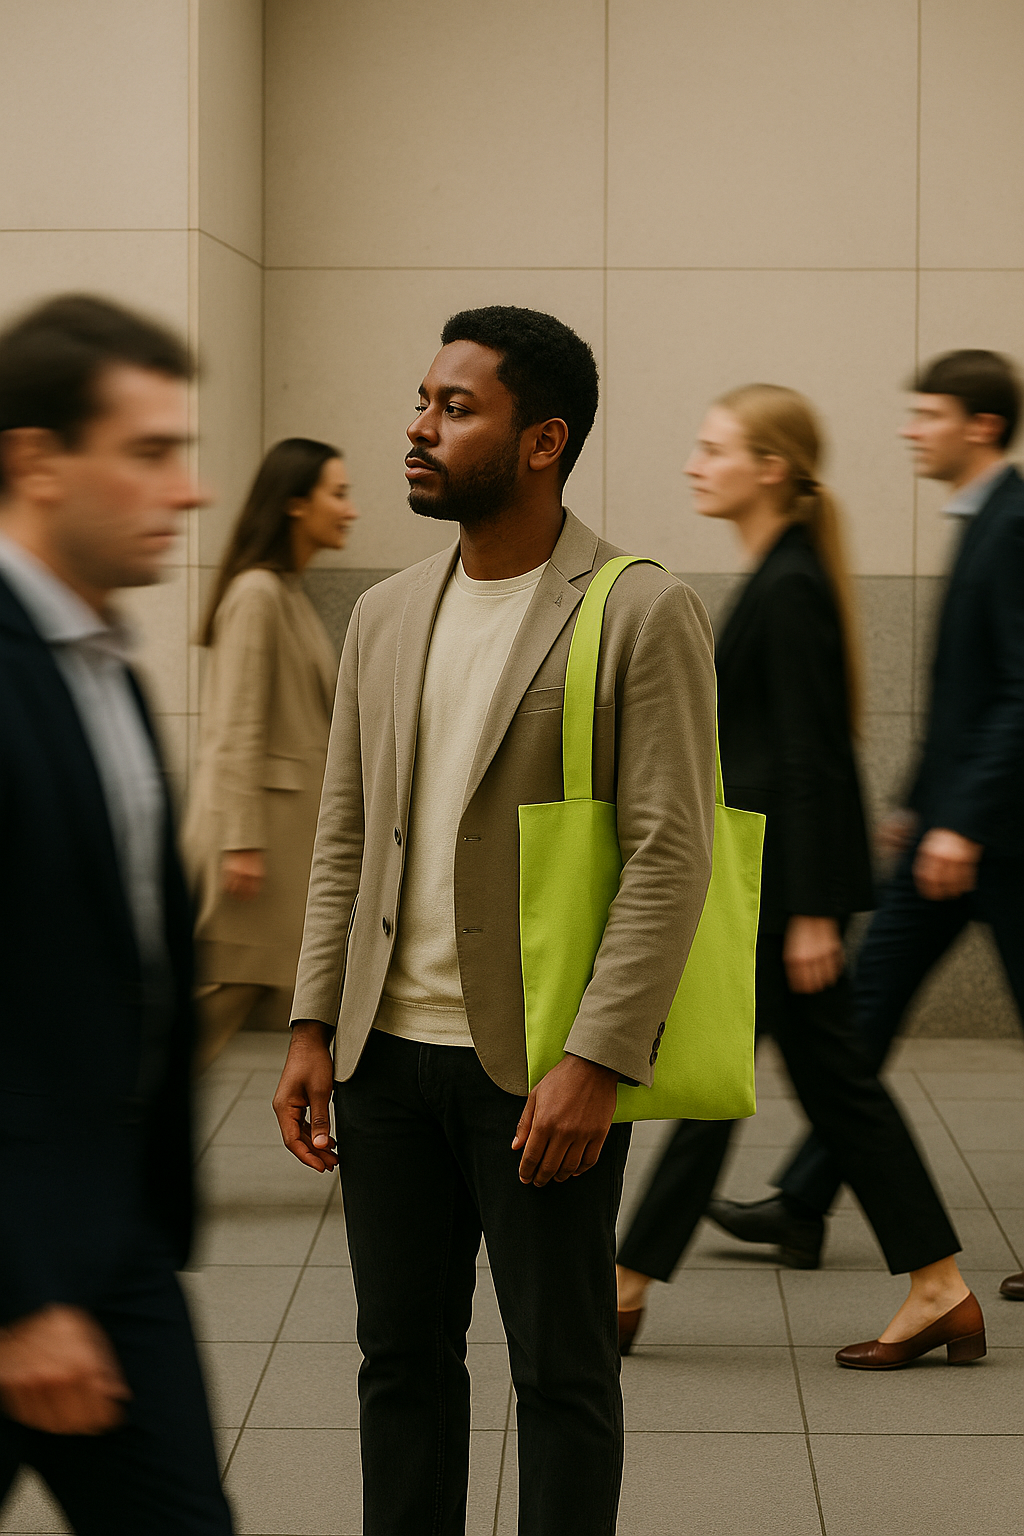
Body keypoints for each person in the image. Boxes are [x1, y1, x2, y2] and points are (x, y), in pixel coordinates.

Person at [271, 305, 718, 1535]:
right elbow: (345, 837)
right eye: (422, 400)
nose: (417, 429)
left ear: (542, 439)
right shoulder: (384, 614)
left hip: (540, 1070)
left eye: (454, 408)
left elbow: (670, 853)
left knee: (558, 1370)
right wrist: (314, 1021)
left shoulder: (635, 609)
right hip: (384, 1060)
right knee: (399, 1365)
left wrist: (598, 1059)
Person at [615, 384, 984, 1371]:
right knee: (808, 1087)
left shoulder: (787, 586)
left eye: (713, 447)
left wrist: (815, 912)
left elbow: (816, 756)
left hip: (783, 894)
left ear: (770, 468)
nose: (695, 462)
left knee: (777, 1085)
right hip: (768, 886)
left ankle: (625, 1284)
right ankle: (937, 1288)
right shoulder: (780, 571)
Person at [0, 295, 232, 1532]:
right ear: (37, 460)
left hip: (109, 1239)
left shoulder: (102, 666)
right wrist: (17, 1300)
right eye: (150, 452)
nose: (187, 491)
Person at [754, 351, 1024, 1304]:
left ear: (982, 426)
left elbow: (1020, 697)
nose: (913, 430)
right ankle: (801, 1198)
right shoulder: (981, 520)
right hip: (949, 832)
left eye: (930, 415)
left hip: (997, 841)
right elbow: (964, 699)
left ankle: (808, 1200)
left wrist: (963, 826)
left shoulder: (1015, 522)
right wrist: (918, 808)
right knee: (859, 1011)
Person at [184, 438, 354, 1069]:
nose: (349, 510)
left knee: (228, 996)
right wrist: (241, 842)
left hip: (275, 854)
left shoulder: (283, 592)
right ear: (292, 504)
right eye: (337, 493)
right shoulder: (259, 594)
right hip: (256, 858)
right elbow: (234, 727)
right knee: (214, 1000)